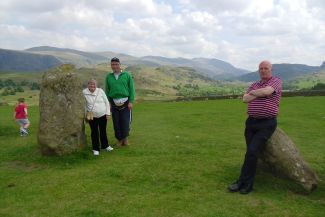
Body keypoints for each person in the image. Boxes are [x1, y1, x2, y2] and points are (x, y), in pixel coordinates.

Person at [228, 60, 282, 194]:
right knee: (251, 153)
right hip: (251, 122)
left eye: (266, 68)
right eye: (261, 68)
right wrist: (260, 92)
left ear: (271, 70)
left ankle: (246, 183)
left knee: (252, 152)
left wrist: (254, 93)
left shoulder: (276, 81)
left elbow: (267, 92)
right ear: (259, 70)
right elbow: (244, 99)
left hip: (266, 123)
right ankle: (242, 182)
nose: (263, 70)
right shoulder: (255, 84)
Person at [105, 57, 135, 146]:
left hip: (126, 102)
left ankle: (125, 139)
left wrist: (131, 101)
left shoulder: (127, 75)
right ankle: (119, 139)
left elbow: (132, 89)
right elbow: (107, 90)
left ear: (120, 64)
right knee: (116, 122)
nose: (114, 66)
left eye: (116, 64)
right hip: (113, 103)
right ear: (111, 65)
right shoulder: (109, 76)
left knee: (125, 121)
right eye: (112, 64)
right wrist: (108, 103)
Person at [83, 79, 114, 156]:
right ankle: (95, 149)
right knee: (94, 132)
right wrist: (85, 116)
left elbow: (107, 102)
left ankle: (105, 146)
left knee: (103, 130)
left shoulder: (100, 91)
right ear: (88, 85)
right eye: (90, 84)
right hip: (92, 116)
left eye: (94, 84)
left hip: (103, 114)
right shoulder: (84, 92)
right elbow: (84, 105)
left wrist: (108, 113)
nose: (92, 86)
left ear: (96, 85)